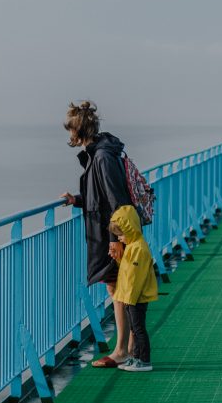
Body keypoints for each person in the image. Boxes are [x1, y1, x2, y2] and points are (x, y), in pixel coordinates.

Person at [60, 101, 132, 368]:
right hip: (108, 233)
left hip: (110, 235)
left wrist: (115, 240)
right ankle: (127, 346)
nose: (69, 136)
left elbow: (117, 202)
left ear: (79, 131)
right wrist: (76, 200)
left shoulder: (101, 157)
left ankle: (122, 349)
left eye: (71, 131)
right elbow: (100, 197)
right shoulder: (100, 154)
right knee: (121, 289)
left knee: (119, 290)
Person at [108, 204, 159, 372]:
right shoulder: (132, 246)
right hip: (132, 296)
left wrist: (128, 298)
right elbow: (127, 271)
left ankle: (144, 360)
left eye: (121, 234)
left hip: (137, 297)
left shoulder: (138, 249)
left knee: (138, 329)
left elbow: (135, 279)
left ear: (130, 230)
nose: (119, 239)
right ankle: (135, 357)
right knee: (134, 328)